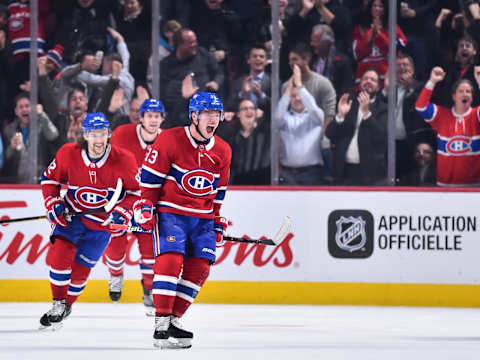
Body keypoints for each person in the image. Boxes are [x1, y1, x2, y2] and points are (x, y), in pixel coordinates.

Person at [133, 92, 231, 349]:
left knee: (200, 268)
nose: (214, 119)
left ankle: (173, 319)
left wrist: (217, 220)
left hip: (202, 220)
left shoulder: (223, 150)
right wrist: (145, 205)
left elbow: (218, 193)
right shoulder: (170, 139)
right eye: (208, 114)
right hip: (171, 213)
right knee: (171, 259)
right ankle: (161, 322)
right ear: (194, 116)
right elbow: (150, 182)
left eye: (217, 114)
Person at [38, 112, 139, 329]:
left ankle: (67, 306)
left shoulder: (124, 159)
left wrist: (122, 212)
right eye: (93, 134)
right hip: (71, 217)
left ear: (109, 134)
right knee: (59, 256)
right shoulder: (68, 153)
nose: (98, 140)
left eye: (102, 134)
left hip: (102, 225)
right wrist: (53, 202)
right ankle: (57, 303)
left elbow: (136, 192)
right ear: (85, 135)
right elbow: (49, 179)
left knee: (80, 273)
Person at [103, 98, 165, 316]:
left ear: (162, 119)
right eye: (149, 115)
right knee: (116, 237)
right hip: (122, 198)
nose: (153, 120)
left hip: (148, 202)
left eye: (157, 116)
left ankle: (149, 289)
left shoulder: (166, 140)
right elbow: (108, 162)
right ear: (141, 117)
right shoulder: (122, 134)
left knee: (149, 245)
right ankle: (115, 274)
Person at [415, 66, 480, 186]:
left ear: (472, 97)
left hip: (473, 189)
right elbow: (421, 107)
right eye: (460, 91)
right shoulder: (442, 115)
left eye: (468, 91)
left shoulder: (477, 115)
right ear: (454, 96)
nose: (465, 94)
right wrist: (432, 81)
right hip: (445, 189)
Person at [326, 69, 388, 185]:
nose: (368, 81)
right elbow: (330, 134)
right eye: (365, 79)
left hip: (371, 175)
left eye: (373, 80)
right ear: (359, 84)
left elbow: (382, 138)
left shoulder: (384, 108)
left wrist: (367, 114)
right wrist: (340, 115)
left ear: (378, 87)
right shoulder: (348, 104)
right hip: (344, 172)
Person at [275, 64, 328, 185]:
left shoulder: (316, 117)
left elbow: (313, 109)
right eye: (293, 96)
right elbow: (277, 119)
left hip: (312, 173)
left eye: (300, 95)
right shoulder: (285, 118)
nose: (298, 98)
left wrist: (299, 86)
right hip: (287, 174)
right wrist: (288, 90)